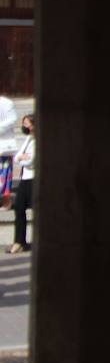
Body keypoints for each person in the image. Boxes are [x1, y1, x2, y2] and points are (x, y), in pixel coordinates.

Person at [9, 113, 35, 254]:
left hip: (33, 179)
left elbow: (30, 162)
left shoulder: (38, 140)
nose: (25, 127)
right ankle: (19, 241)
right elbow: (16, 157)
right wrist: (21, 158)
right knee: (19, 208)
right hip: (24, 179)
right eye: (24, 124)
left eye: (27, 124)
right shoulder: (28, 139)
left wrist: (21, 159)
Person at [0, 95, 18, 210]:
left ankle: (7, 202)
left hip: (4, 144)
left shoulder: (7, 103)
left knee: (5, 174)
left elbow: (13, 119)